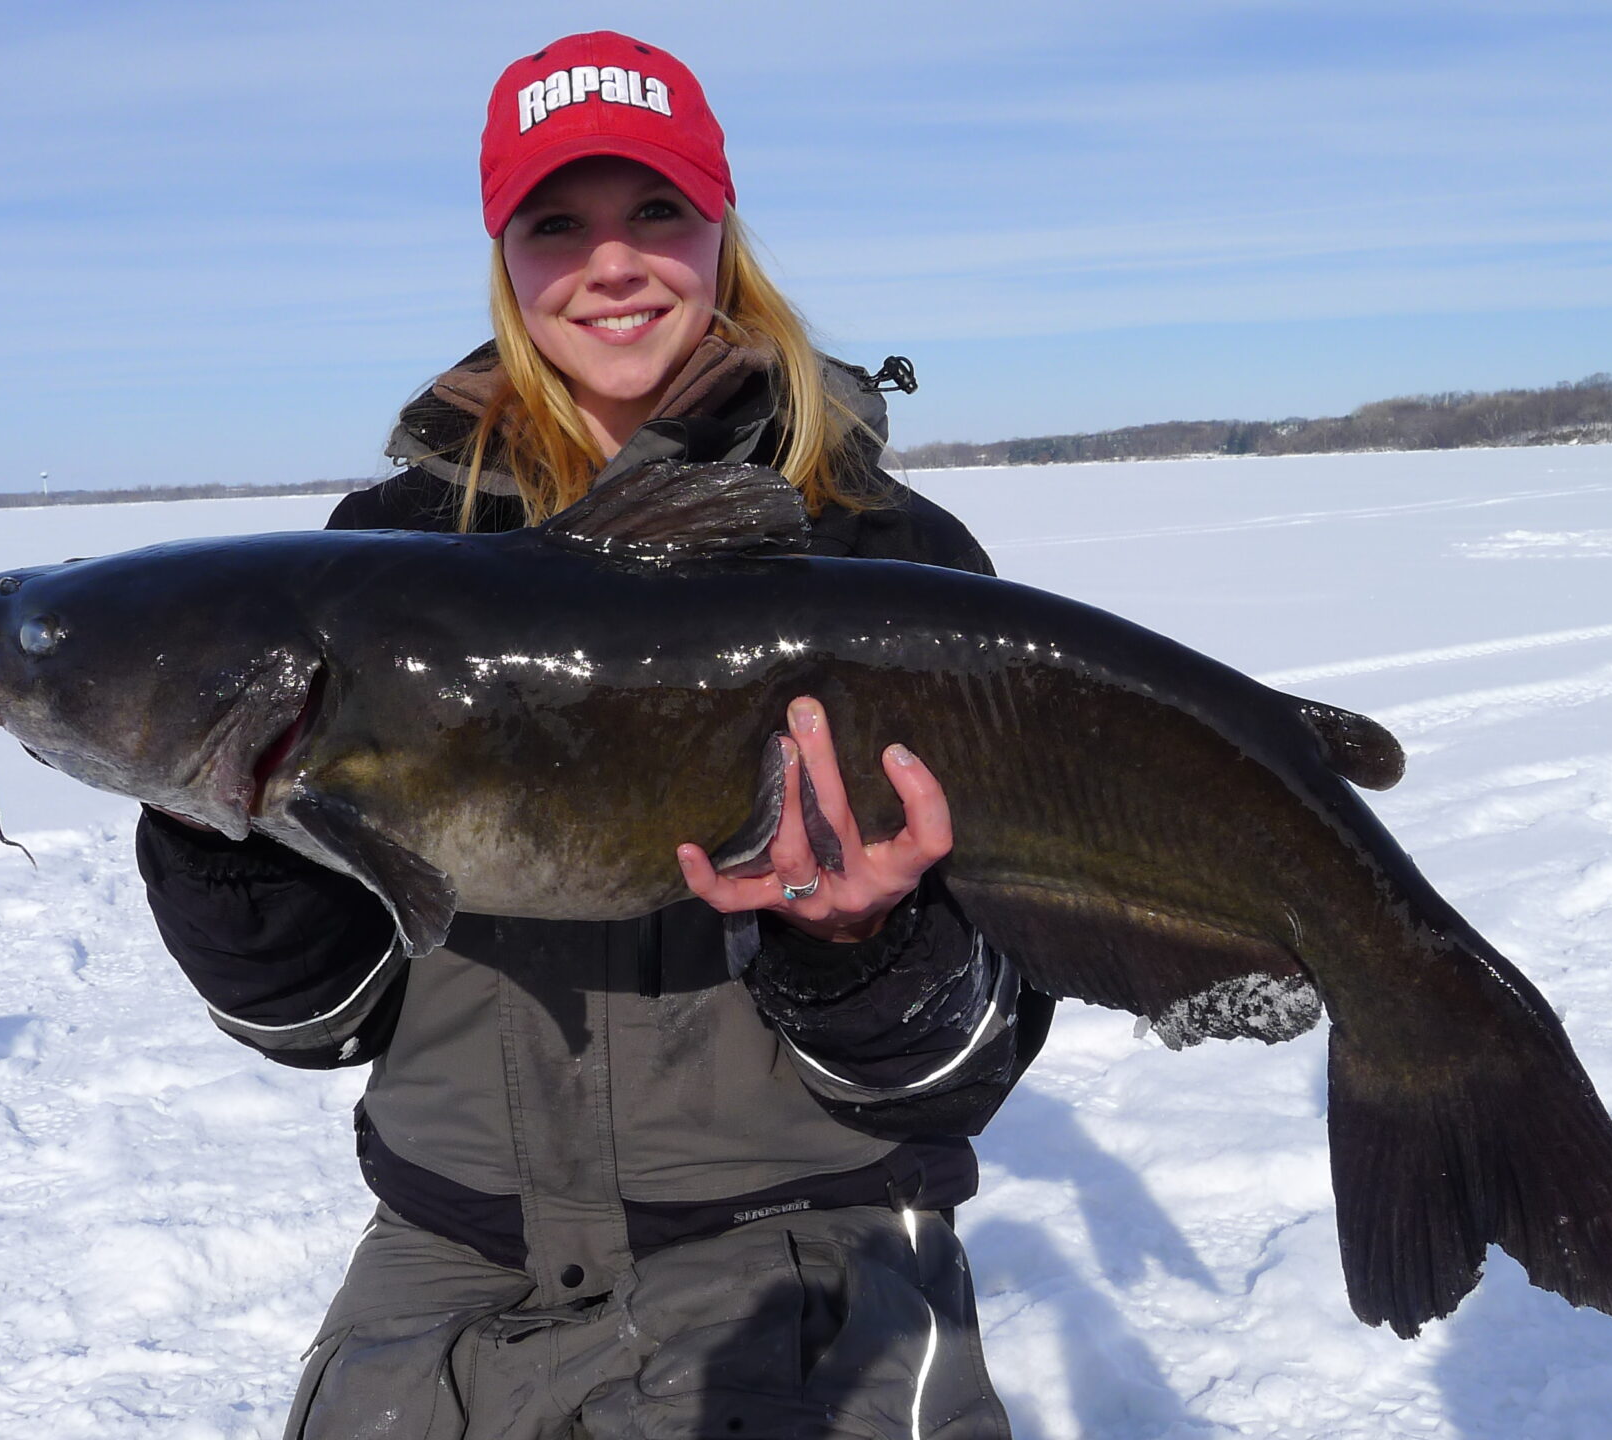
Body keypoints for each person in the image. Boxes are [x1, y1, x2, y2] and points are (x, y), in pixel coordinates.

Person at [134, 31, 1048, 1440]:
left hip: (796, 1265)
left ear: (722, 234)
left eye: (655, 214)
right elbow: (315, 1017)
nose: (610, 262)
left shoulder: (888, 560)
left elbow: (961, 1061)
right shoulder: (379, 558)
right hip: (439, 1281)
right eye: (558, 225)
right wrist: (218, 823)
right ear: (505, 262)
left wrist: (864, 948)